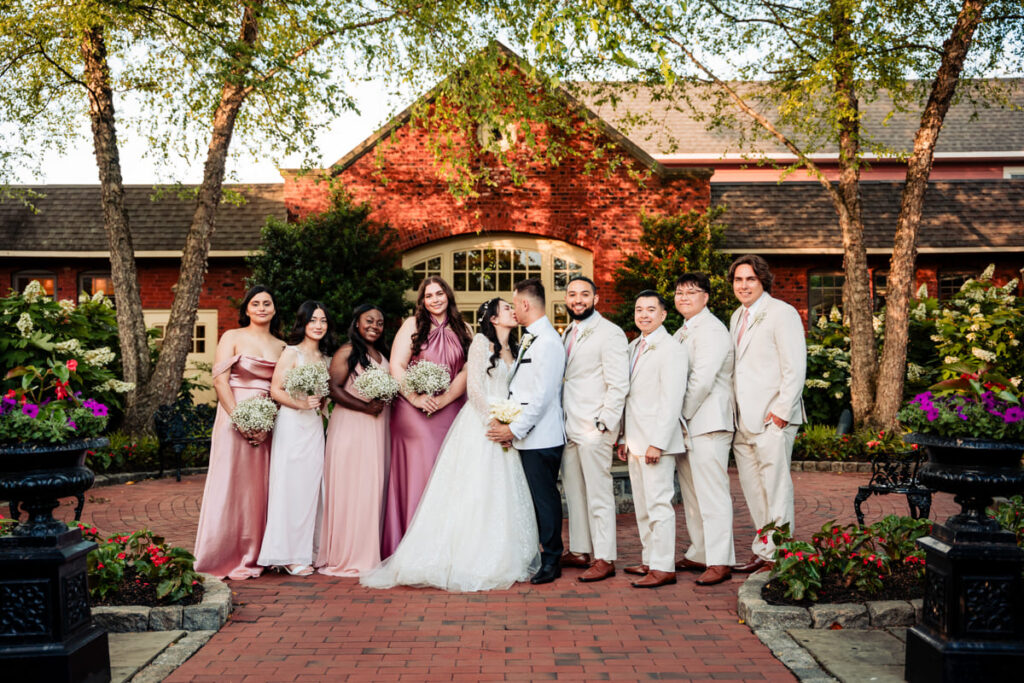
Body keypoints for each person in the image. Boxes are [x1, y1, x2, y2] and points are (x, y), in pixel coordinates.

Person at [361, 298, 540, 591]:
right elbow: (475, 388)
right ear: (493, 318)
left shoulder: (516, 347)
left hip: (506, 424)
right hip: (483, 423)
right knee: (473, 489)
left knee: (499, 489)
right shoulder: (481, 342)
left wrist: (512, 422)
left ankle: (501, 551)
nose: (513, 311)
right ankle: (463, 555)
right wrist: (493, 420)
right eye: (507, 308)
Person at [194, 285, 286, 580]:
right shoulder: (231, 337)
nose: (261, 308)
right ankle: (219, 554)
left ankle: (259, 553)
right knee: (229, 483)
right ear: (246, 309)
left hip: (267, 422)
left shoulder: (282, 346)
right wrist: (240, 420)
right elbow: (220, 381)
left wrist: (266, 424)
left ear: (274, 309)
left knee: (259, 488)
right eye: (255, 303)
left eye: (267, 303)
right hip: (232, 416)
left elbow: (280, 389)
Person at [382, 276, 472, 556]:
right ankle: (414, 545)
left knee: (451, 471)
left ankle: (448, 545)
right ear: (422, 301)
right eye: (429, 295)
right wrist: (415, 397)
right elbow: (397, 365)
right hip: (413, 411)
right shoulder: (412, 325)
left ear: (448, 295)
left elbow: (467, 371)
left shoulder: (465, 328)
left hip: (452, 407)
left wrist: (444, 398)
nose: (435, 299)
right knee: (421, 470)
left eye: (440, 293)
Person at [728, 255, 807, 574]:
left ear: (763, 281)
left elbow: (795, 366)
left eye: (750, 279)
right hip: (743, 422)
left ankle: (780, 553)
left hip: (772, 418)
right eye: (738, 280)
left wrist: (781, 413)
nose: (743, 285)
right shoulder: (736, 316)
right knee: (753, 489)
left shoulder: (782, 313)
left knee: (775, 487)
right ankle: (764, 548)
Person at [486, 278, 566, 585]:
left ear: (525, 304)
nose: (514, 307)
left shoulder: (547, 341)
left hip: (541, 436)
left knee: (545, 499)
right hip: (527, 436)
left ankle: (552, 559)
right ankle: (541, 554)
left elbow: (543, 396)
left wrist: (514, 429)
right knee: (534, 499)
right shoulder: (532, 337)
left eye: (514, 302)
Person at [559, 275, 629, 583]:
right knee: (574, 492)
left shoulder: (610, 333)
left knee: (599, 494)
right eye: (572, 294)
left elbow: (619, 383)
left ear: (596, 299)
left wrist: (604, 422)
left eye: (584, 294)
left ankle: (605, 556)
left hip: (593, 427)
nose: (578, 299)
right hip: (568, 425)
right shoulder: (567, 331)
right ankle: (580, 549)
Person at [616, 290, 688, 589]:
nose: (643, 315)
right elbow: (628, 397)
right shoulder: (634, 346)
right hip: (634, 439)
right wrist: (622, 436)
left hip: (656, 441)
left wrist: (657, 442)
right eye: (638, 309)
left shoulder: (670, 348)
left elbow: (672, 400)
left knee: (659, 504)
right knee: (643, 505)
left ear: (663, 315)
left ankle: (663, 566)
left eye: (650, 309)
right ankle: (649, 559)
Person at [258, 301, 333, 576]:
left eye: (323, 321)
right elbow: (275, 390)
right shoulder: (291, 352)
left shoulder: (326, 359)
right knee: (289, 486)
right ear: (303, 323)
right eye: (313, 320)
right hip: (292, 425)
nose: (318, 325)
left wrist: (322, 404)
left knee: (312, 487)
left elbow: (325, 393)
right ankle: (287, 554)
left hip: (314, 426)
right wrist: (301, 404)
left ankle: (309, 550)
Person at [672, 273, 736, 587]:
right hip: (687, 426)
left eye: (692, 292)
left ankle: (720, 560)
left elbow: (701, 381)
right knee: (693, 495)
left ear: (706, 297)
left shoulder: (711, 330)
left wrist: (676, 415)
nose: (684, 297)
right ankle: (700, 552)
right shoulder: (682, 331)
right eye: (679, 292)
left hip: (709, 421)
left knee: (712, 494)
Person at [317, 304, 390, 577]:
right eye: (369, 320)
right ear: (357, 323)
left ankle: (369, 550)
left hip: (378, 430)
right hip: (352, 429)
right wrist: (365, 407)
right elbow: (332, 388)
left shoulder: (383, 355)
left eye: (380, 322)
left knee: (373, 489)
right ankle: (348, 554)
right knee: (354, 490)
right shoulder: (347, 351)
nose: (374, 326)